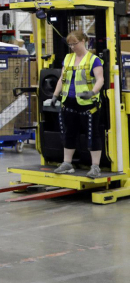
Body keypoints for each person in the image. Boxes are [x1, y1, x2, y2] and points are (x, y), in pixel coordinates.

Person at [45, 30, 105, 178]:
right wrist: (55, 96)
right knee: (69, 133)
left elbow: (100, 79)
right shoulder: (68, 58)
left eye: (75, 44)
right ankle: (67, 163)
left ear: (83, 41)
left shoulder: (93, 60)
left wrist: (92, 92)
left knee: (92, 134)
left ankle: (95, 167)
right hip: (69, 103)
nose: (72, 47)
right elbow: (61, 79)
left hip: (88, 104)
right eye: (70, 45)